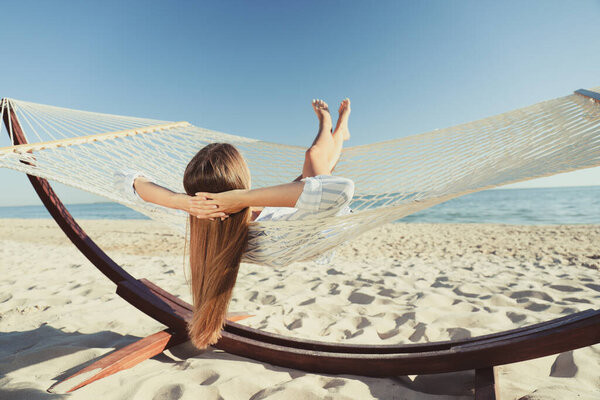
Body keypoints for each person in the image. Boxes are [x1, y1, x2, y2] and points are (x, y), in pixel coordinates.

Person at [116, 99, 354, 348]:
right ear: (243, 181)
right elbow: (339, 191)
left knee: (315, 170)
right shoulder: (269, 232)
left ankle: (340, 131)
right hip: (319, 224)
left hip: (288, 212)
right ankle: (328, 124)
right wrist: (243, 198)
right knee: (314, 156)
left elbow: (128, 178)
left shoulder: (199, 217)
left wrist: (180, 202)